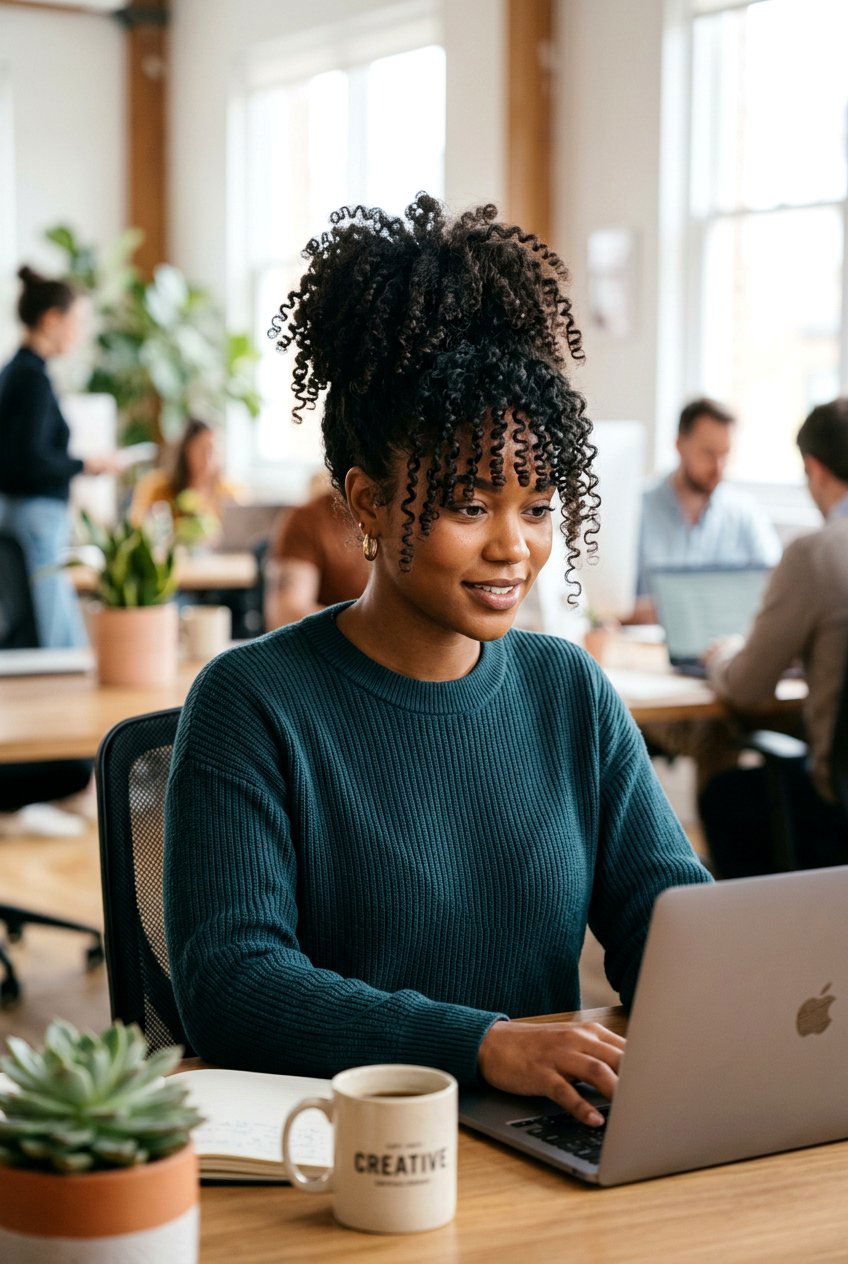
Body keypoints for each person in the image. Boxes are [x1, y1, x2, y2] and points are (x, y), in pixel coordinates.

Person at [164, 195, 710, 1130]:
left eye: (537, 507)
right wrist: (484, 1045)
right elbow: (232, 983)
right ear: (369, 503)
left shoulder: (568, 690)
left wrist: (744, 983)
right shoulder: (252, 703)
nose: (514, 547)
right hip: (347, 1149)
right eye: (469, 504)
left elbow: (669, 921)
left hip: (544, 1136)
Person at [701, 398, 848, 878]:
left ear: (814, 468)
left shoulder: (816, 553)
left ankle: (769, 923)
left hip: (837, 808)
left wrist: (724, 656)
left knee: (724, 798)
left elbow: (746, 688)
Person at [0, 266, 115, 647]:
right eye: (77, 321)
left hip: (21, 513)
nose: (79, 333)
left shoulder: (16, 371)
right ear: (51, 319)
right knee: (55, 633)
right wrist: (85, 465)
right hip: (35, 515)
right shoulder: (32, 378)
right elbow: (30, 459)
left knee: (34, 621)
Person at [632, 398, 780, 622]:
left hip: (725, 639)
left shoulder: (744, 513)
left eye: (725, 454)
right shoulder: (637, 510)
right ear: (680, 445)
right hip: (648, 640)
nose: (719, 467)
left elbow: (776, 591)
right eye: (709, 453)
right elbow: (609, 608)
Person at [264, 485, 369, 628]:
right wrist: (372, 628)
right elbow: (286, 614)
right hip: (335, 640)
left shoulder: (398, 521)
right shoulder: (307, 519)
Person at [130, 418, 239, 544]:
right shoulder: (156, 486)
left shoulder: (229, 492)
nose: (208, 459)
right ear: (186, 451)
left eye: (214, 451)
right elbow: (137, 526)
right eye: (202, 450)